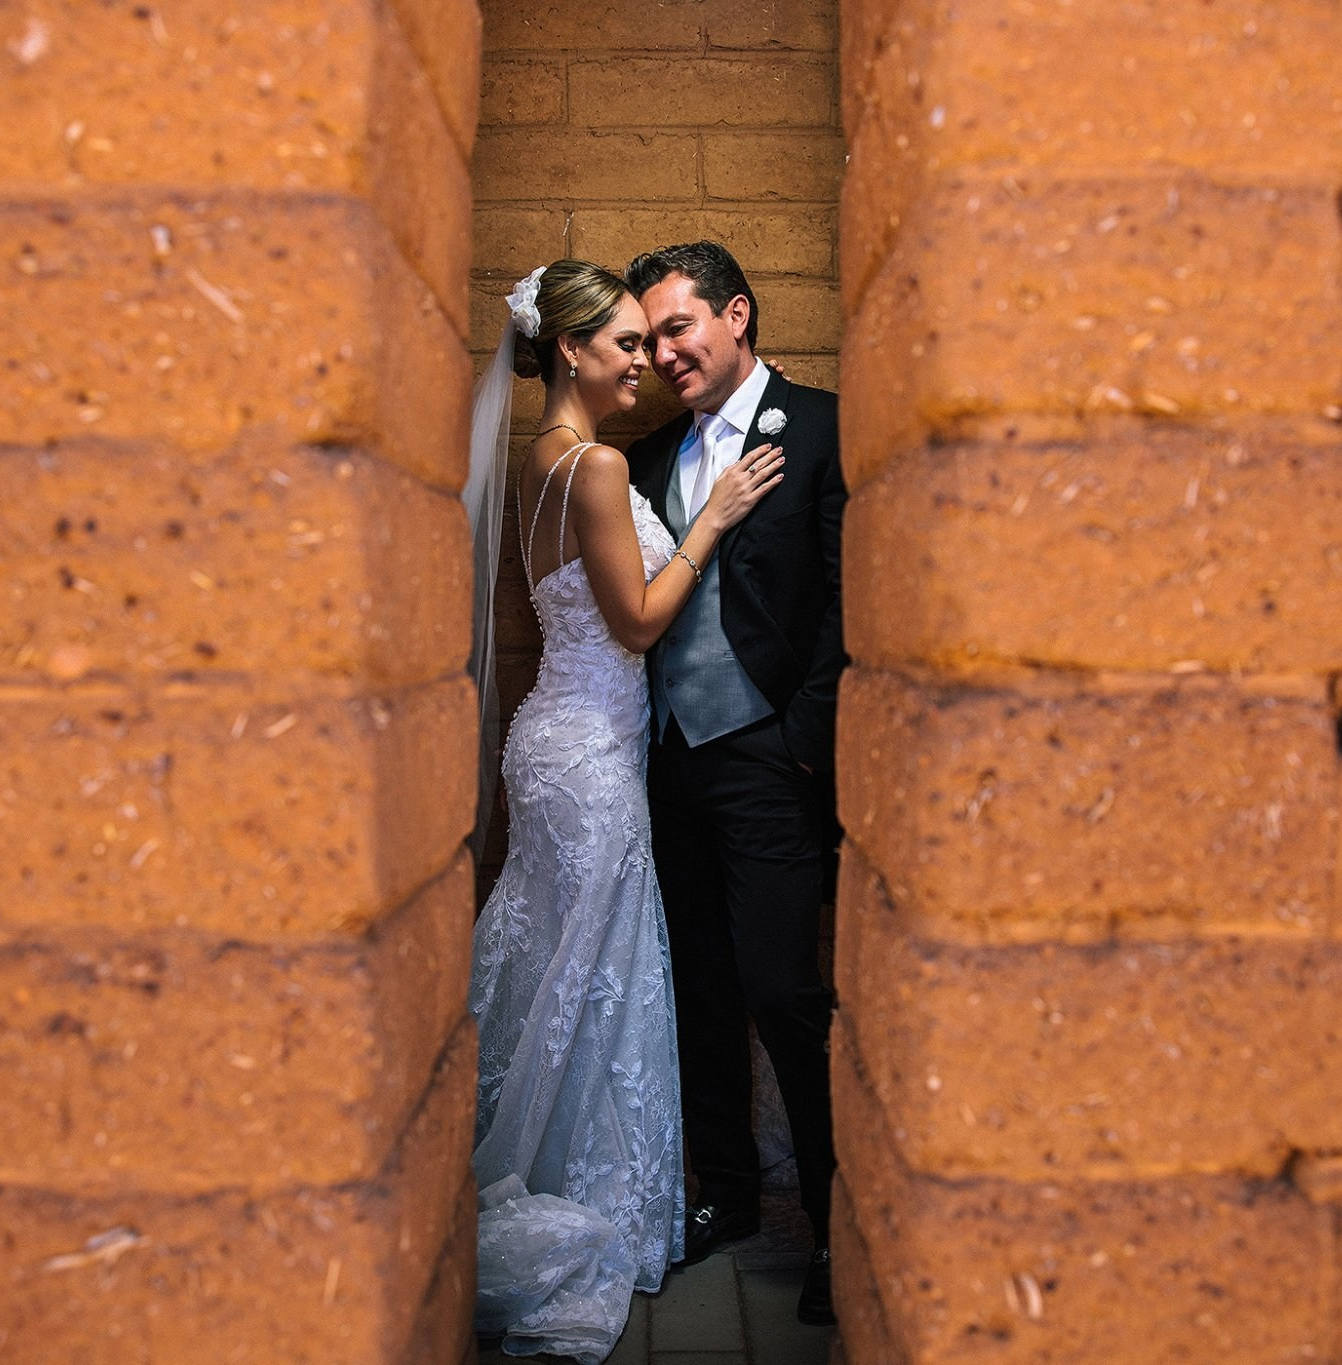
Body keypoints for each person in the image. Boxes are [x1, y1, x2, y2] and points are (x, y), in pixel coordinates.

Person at [464, 260, 785, 1364]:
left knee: (562, 967)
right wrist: (717, 516)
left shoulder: (538, 460)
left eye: (650, 343)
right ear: (567, 350)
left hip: (551, 741)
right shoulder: (595, 465)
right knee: (591, 976)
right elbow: (639, 623)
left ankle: (533, 1160)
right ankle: (576, 1194)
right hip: (590, 758)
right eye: (621, 343)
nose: (643, 360)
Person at [624, 241, 847, 1327]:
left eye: (681, 327)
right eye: (653, 334)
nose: (666, 351)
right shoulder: (655, 452)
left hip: (769, 761)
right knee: (701, 992)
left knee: (780, 994)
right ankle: (729, 1195)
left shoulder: (821, 430)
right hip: (674, 762)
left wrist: (803, 740)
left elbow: (851, 599)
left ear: (737, 315)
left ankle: (837, 1231)